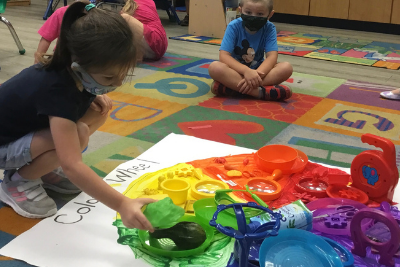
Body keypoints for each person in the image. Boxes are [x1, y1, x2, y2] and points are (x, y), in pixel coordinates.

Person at [0, 2, 156, 232]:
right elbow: (72, 164)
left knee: (96, 112)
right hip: (4, 145)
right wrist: (122, 204)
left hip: (23, 132)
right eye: (109, 77)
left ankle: (42, 168)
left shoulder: (73, 73)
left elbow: (132, 26)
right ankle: (18, 181)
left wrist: (92, 93)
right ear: (79, 66)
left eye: (123, 75)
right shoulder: (57, 89)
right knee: (78, 135)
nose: (118, 84)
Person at [208, 0, 293, 101]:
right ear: (240, 10)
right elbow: (224, 56)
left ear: (270, 14)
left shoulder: (269, 28)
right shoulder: (233, 26)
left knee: (286, 68)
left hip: (259, 73)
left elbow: (272, 56)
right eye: (248, 12)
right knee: (215, 67)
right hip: (236, 71)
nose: (253, 17)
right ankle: (259, 92)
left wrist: (256, 75)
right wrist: (246, 71)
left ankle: (232, 88)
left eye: (260, 14)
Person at [34, 0, 168, 63]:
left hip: (80, 58)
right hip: (67, 58)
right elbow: (46, 38)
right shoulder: (61, 13)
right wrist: (37, 63)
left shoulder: (93, 17)